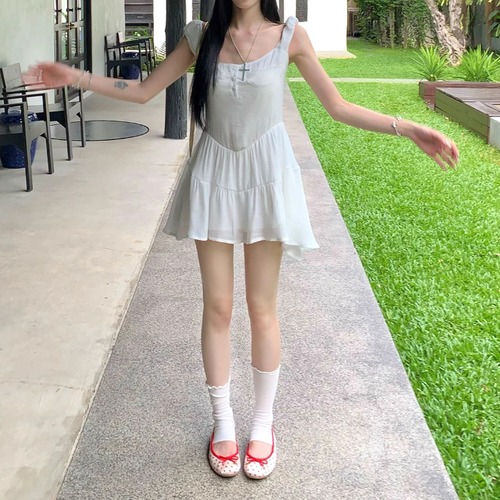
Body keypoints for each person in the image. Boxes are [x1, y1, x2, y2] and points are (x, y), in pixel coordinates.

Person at [25, 0, 459, 481]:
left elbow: (338, 107)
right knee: (218, 308)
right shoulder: (200, 36)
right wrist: (78, 77)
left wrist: (407, 128)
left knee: (262, 307)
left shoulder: (290, 36)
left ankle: (263, 425)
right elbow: (145, 90)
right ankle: (224, 423)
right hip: (213, 175)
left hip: (267, 177)